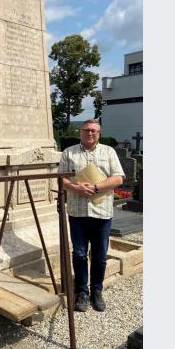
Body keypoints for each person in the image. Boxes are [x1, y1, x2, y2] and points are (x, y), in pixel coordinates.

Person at [59, 120, 125, 312]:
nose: (90, 133)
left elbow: (118, 178)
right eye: (87, 130)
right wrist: (74, 187)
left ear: (99, 134)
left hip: (102, 212)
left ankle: (97, 291)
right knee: (79, 254)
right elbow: (60, 178)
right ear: (80, 132)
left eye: (94, 131)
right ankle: (82, 292)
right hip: (77, 212)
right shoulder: (69, 152)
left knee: (100, 256)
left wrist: (96, 187)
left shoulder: (109, 152)